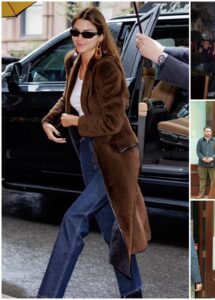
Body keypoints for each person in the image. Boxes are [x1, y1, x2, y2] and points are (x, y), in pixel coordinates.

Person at [38, 7, 150, 298]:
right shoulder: (72, 61)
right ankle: (133, 292)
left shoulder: (107, 68)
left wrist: (76, 122)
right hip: (90, 154)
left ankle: (48, 295)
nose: (80, 38)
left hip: (117, 157)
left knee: (73, 219)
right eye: (75, 32)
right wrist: (49, 120)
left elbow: (112, 121)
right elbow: (67, 99)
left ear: (100, 37)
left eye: (88, 33)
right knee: (114, 229)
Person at [196, 127, 215, 198]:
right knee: (202, 179)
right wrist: (203, 158)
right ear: (204, 132)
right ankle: (201, 194)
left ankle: (212, 195)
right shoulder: (200, 141)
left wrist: (212, 158)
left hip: (213, 164)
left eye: (209, 131)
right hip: (202, 164)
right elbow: (198, 151)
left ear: (211, 132)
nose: (208, 133)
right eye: (206, 131)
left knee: (213, 180)